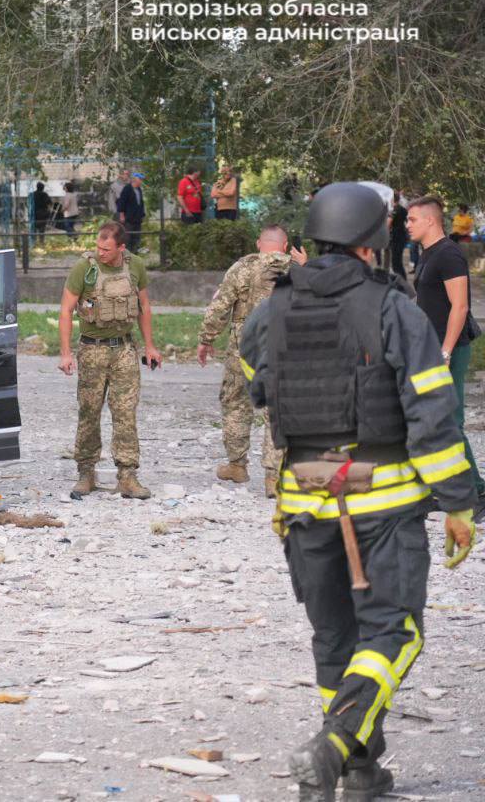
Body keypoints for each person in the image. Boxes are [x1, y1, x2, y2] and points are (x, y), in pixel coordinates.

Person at [240, 182, 476, 802]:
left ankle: (356, 771)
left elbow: (253, 378)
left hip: (303, 504)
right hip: (385, 505)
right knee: (394, 633)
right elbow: (431, 409)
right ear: (373, 245)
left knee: (335, 638)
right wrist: (458, 502)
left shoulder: (273, 308)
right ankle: (336, 745)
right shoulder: (392, 308)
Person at [197, 224, 306, 496]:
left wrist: (206, 338)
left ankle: (237, 465)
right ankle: (274, 477)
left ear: (259, 243)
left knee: (236, 402)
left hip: (243, 346)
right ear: (284, 246)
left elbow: (220, 306)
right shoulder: (299, 270)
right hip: (285, 347)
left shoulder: (243, 267)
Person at [58, 221, 162, 499]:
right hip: (92, 349)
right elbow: (66, 310)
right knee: (89, 412)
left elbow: (144, 307)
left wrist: (150, 346)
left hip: (125, 349)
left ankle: (127, 475)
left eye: (106, 249)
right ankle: (86, 472)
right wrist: (66, 353)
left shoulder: (135, 266)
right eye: (98, 247)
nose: (101, 252)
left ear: (121, 248)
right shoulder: (85, 268)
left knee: (125, 413)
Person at [407, 195, 485, 510]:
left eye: (411, 219)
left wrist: (446, 352)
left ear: (429, 220)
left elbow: (461, 306)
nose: (407, 224)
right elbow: (426, 301)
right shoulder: (428, 254)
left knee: (449, 421)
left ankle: (477, 491)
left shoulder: (449, 255)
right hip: (429, 346)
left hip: (447, 348)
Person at [116, 172, 146, 252]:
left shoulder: (139, 190)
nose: (142, 182)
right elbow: (122, 202)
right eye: (141, 180)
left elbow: (141, 203)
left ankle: (135, 254)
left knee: (137, 237)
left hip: (137, 219)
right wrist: (122, 215)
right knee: (128, 237)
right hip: (129, 218)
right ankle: (127, 254)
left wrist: (142, 214)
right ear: (135, 180)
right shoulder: (127, 189)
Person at [388, 190, 408, 280]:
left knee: (395, 262)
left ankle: (400, 281)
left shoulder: (395, 210)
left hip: (396, 237)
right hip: (402, 236)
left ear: (392, 199)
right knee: (398, 260)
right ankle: (402, 279)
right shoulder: (403, 209)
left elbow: (388, 224)